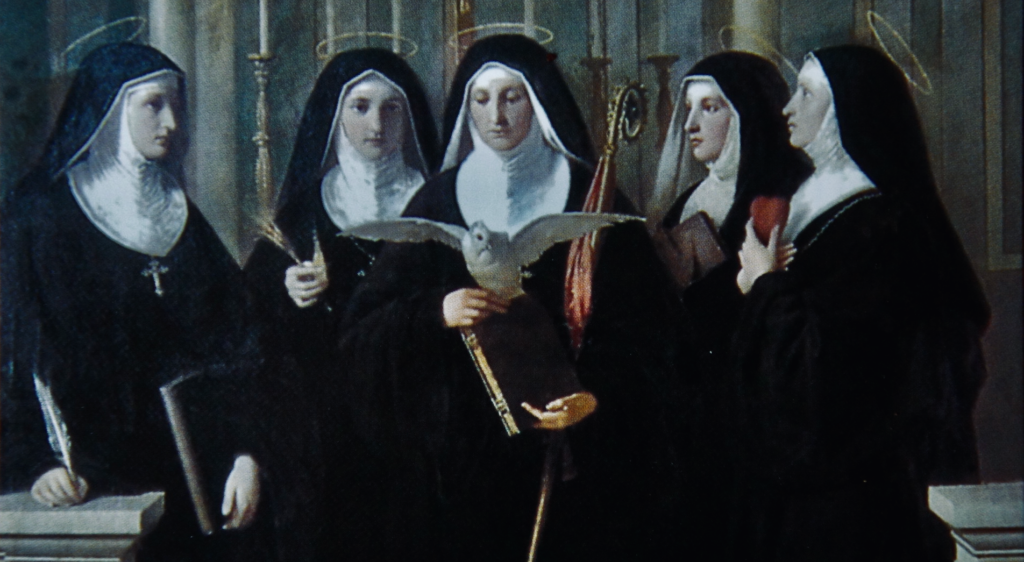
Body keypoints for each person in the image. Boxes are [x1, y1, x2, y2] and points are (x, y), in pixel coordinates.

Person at [336, 34, 683, 561]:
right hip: (462, 467)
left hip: (570, 458)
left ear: (538, 101)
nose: (495, 116)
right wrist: (435, 311)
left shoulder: (591, 197)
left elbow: (652, 336)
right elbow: (365, 327)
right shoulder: (436, 201)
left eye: (511, 97)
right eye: (481, 99)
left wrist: (593, 397)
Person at [0, 43, 267, 562]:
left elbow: (241, 349)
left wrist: (246, 453)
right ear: (109, 110)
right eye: (153, 105)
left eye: (176, 105)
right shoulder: (38, 217)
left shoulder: (179, 214)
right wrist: (34, 462)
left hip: (196, 474)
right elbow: (14, 355)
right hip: (89, 478)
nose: (171, 122)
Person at [729, 46, 989, 561]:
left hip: (857, 495)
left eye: (807, 95)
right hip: (801, 494)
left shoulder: (883, 227)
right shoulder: (812, 202)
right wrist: (757, 289)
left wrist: (765, 286)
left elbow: (829, 373)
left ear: (845, 111)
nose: (788, 107)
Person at [242, 47, 438, 560]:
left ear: (409, 117)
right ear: (333, 116)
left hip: (417, 427)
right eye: (360, 107)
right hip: (327, 441)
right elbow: (256, 341)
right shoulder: (300, 219)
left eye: (391, 108)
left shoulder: (439, 205)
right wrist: (287, 293)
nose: (377, 124)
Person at [647, 52, 813, 560]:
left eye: (711, 107)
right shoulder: (687, 200)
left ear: (748, 114)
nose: (691, 125)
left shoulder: (782, 196)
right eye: (689, 109)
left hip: (752, 413)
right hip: (692, 410)